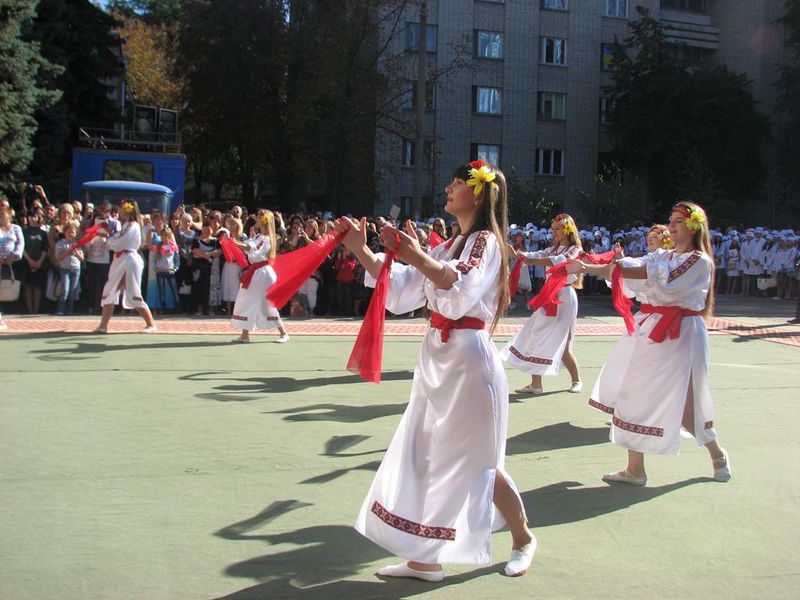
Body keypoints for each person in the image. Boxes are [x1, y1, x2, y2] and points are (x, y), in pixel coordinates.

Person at [338, 160, 535, 582]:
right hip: (437, 359)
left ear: (478, 194)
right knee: (426, 455)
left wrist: (418, 254)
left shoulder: (486, 242)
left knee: (479, 461)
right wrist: (360, 248)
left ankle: (522, 538)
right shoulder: (451, 244)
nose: (448, 187)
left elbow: (459, 287)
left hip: (469, 361)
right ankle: (425, 560)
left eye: (457, 183)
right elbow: (404, 287)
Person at [569, 201, 730, 486]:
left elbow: (655, 278)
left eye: (678, 221)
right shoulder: (663, 257)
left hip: (680, 334)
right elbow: (635, 267)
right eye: (671, 219)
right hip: (653, 328)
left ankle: (717, 454)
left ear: (693, 227)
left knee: (685, 408)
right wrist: (592, 266)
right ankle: (636, 469)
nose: (672, 224)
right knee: (633, 392)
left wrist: (590, 267)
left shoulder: (698, 260)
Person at [500, 213, 585, 395]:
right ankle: (536, 384)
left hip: (565, 296)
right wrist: (521, 255)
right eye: (553, 228)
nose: (553, 232)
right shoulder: (552, 249)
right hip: (549, 295)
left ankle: (576, 380)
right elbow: (538, 254)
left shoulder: (574, 249)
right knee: (535, 334)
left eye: (557, 229)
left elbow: (559, 263)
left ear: (567, 230)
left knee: (564, 344)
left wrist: (529, 259)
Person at [93, 200, 156, 334]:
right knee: (110, 290)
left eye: (122, 209)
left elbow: (120, 243)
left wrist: (110, 240)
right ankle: (103, 325)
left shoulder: (133, 226)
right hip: (120, 259)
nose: (120, 211)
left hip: (129, 260)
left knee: (133, 292)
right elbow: (117, 240)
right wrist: (110, 235)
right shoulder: (125, 225)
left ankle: (151, 324)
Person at [230, 210, 289, 343]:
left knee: (263, 303)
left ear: (264, 220)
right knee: (248, 299)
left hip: (262, 273)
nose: (256, 218)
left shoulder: (266, 238)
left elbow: (252, 249)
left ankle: (283, 333)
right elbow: (251, 248)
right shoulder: (259, 236)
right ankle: (245, 334)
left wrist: (234, 242)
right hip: (257, 272)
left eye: (258, 216)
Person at [0, 204, 25, 330]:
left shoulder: (16, 228)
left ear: (9, 215)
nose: (1, 216)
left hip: (12, 263)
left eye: (3, 214)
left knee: (7, 289)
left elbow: (20, 243)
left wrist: (13, 256)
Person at [53, 220, 84, 316]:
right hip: (65, 269)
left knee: (72, 291)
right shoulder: (61, 243)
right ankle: (60, 309)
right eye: (69, 232)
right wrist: (68, 252)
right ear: (65, 232)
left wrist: (76, 252)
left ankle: (70, 310)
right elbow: (58, 257)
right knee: (65, 289)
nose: (71, 234)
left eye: (73, 232)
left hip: (76, 269)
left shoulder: (77, 244)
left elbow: (82, 259)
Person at [21, 210, 48, 314]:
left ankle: (36, 310)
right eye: (30, 217)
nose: (32, 218)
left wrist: (39, 261)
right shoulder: (24, 231)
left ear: (38, 218)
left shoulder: (43, 233)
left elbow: (45, 249)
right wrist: (30, 260)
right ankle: (29, 309)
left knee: (37, 287)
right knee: (27, 287)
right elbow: (22, 248)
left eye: (34, 217)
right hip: (26, 262)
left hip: (40, 262)